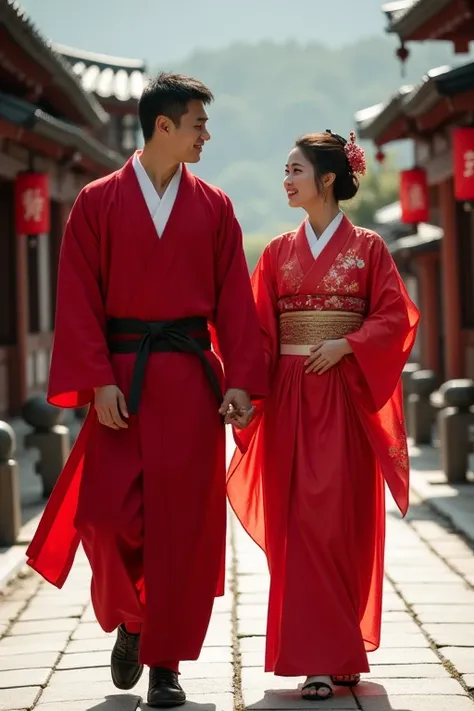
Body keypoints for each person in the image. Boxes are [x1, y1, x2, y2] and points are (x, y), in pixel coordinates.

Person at [26, 72, 267, 707]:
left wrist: (241, 380)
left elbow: (235, 302)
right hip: (122, 385)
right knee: (106, 518)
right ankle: (133, 620)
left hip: (188, 383)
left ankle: (167, 664)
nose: (206, 136)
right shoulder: (97, 202)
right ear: (164, 126)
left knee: (183, 530)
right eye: (198, 124)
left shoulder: (214, 206)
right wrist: (96, 381)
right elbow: (76, 300)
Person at [228, 130, 420, 700]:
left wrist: (350, 344)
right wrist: (243, 391)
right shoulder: (278, 254)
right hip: (290, 396)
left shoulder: (369, 250)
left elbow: (396, 317)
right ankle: (316, 659)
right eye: (285, 171)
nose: (286, 180)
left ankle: (339, 650)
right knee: (299, 525)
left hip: (341, 395)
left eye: (295, 171)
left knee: (340, 521)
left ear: (327, 178)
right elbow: (258, 332)